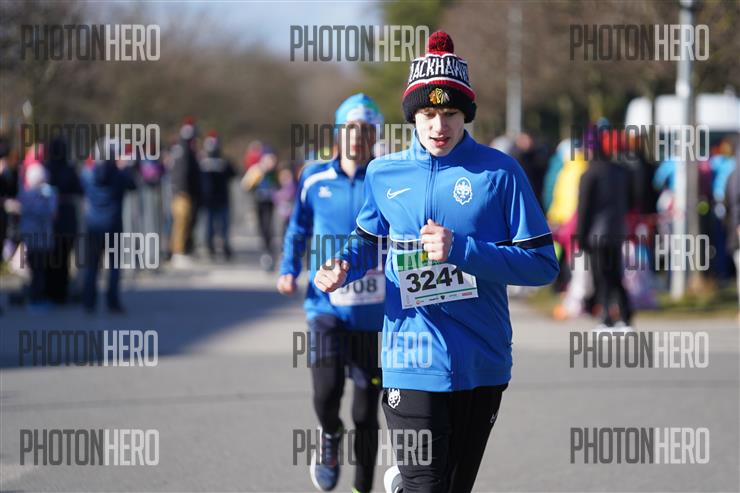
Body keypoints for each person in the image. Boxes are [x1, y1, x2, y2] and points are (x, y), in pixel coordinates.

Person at [313, 32, 559, 493]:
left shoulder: (500, 173)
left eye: (450, 114)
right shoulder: (383, 173)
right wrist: (343, 264)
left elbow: (542, 265)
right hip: (409, 354)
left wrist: (463, 249)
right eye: (427, 114)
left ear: (466, 115)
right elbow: (366, 240)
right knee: (426, 485)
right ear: (413, 117)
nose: (439, 126)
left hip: (481, 357)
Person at [277, 94, 386, 493]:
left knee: (365, 412)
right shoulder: (314, 178)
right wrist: (288, 269)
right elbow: (298, 229)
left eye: (367, 130)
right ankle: (329, 435)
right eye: (351, 129)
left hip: (373, 313)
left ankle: (362, 488)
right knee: (326, 393)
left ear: (376, 135)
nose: (359, 137)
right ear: (339, 133)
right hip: (325, 305)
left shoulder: (386, 180)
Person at [576, 126, 634, 331]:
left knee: (601, 277)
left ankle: (606, 318)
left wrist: (580, 237)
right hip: (617, 230)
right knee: (616, 275)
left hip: (596, 233)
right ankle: (625, 317)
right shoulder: (620, 172)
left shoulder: (590, 174)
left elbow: (584, 209)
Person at [81, 139, 137, 313]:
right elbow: (133, 185)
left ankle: (89, 302)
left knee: (92, 265)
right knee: (114, 266)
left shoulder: (88, 175)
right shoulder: (119, 176)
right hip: (113, 224)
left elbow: (81, 183)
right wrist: (125, 167)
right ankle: (112, 302)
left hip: (94, 224)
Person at [44, 135, 83, 304]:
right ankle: (61, 293)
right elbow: (79, 189)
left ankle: (51, 292)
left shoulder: (47, 168)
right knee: (64, 257)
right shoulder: (69, 169)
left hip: (51, 218)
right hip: (66, 217)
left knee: (52, 257)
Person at [18, 161, 57, 312]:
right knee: (38, 271)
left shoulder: (25, 195)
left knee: (36, 271)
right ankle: (36, 300)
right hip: (39, 239)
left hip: (30, 238)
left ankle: (37, 298)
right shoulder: (41, 196)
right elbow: (50, 213)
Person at [170, 117, 201, 268]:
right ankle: (178, 252)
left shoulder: (184, 149)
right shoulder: (184, 150)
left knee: (186, 223)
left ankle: (183, 251)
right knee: (181, 223)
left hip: (185, 192)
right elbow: (182, 173)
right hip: (182, 192)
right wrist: (184, 190)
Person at [199, 131, 236, 260]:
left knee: (222, 226)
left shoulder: (223, 162)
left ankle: (222, 247)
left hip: (220, 199)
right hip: (209, 200)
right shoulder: (203, 162)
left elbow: (233, 173)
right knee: (210, 226)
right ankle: (211, 247)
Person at [243, 143, 279, 270]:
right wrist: (255, 179)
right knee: (262, 226)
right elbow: (246, 185)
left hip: (270, 202)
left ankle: (269, 250)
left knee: (268, 225)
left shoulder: (274, 172)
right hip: (259, 201)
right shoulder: (257, 170)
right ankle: (265, 249)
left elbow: (279, 186)